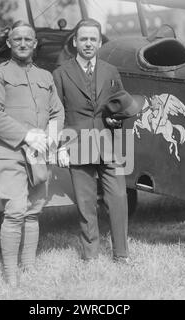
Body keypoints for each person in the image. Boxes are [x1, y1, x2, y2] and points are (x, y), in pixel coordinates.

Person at [0, 20, 65, 285]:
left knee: (33, 211)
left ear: (35, 43)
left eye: (28, 39)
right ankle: (11, 276)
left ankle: (28, 268)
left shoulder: (45, 76)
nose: (22, 44)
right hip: (11, 152)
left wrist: (52, 138)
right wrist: (26, 135)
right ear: (8, 43)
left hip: (38, 155)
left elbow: (57, 111)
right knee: (16, 210)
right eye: (17, 39)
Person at [53, 19, 130, 263]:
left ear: (99, 42)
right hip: (77, 144)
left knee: (118, 198)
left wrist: (118, 122)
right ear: (75, 42)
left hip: (109, 143)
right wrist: (60, 147)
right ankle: (91, 256)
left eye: (93, 39)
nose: (88, 43)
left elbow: (120, 105)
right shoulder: (60, 74)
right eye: (83, 39)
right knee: (86, 204)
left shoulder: (110, 71)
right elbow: (57, 113)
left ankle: (121, 254)